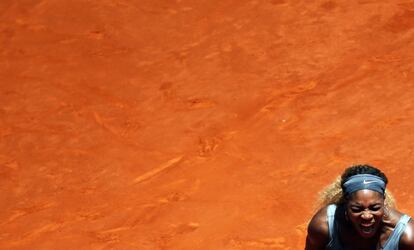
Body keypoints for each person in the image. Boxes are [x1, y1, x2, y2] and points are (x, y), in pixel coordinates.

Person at [305, 164, 414, 249]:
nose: (367, 216)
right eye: (356, 209)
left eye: (375, 208)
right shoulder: (323, 225)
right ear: (345, 204)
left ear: (384, 201)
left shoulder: (408, 235)